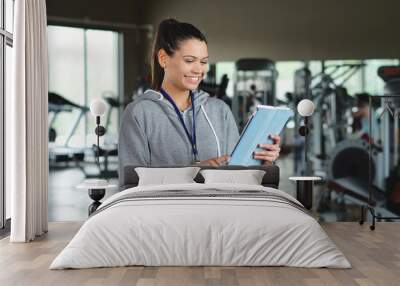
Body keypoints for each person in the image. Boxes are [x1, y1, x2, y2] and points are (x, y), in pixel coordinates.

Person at [118, 19, 281, 182]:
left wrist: (263, 162)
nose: (199, 69)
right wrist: (194, 172)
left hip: (219, 206)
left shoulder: (219, 110)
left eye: (203, 61)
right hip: (166, 207)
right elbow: (132, 184)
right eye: (189, 60)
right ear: (163, 58)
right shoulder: (139, 113)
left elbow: (238, 175)